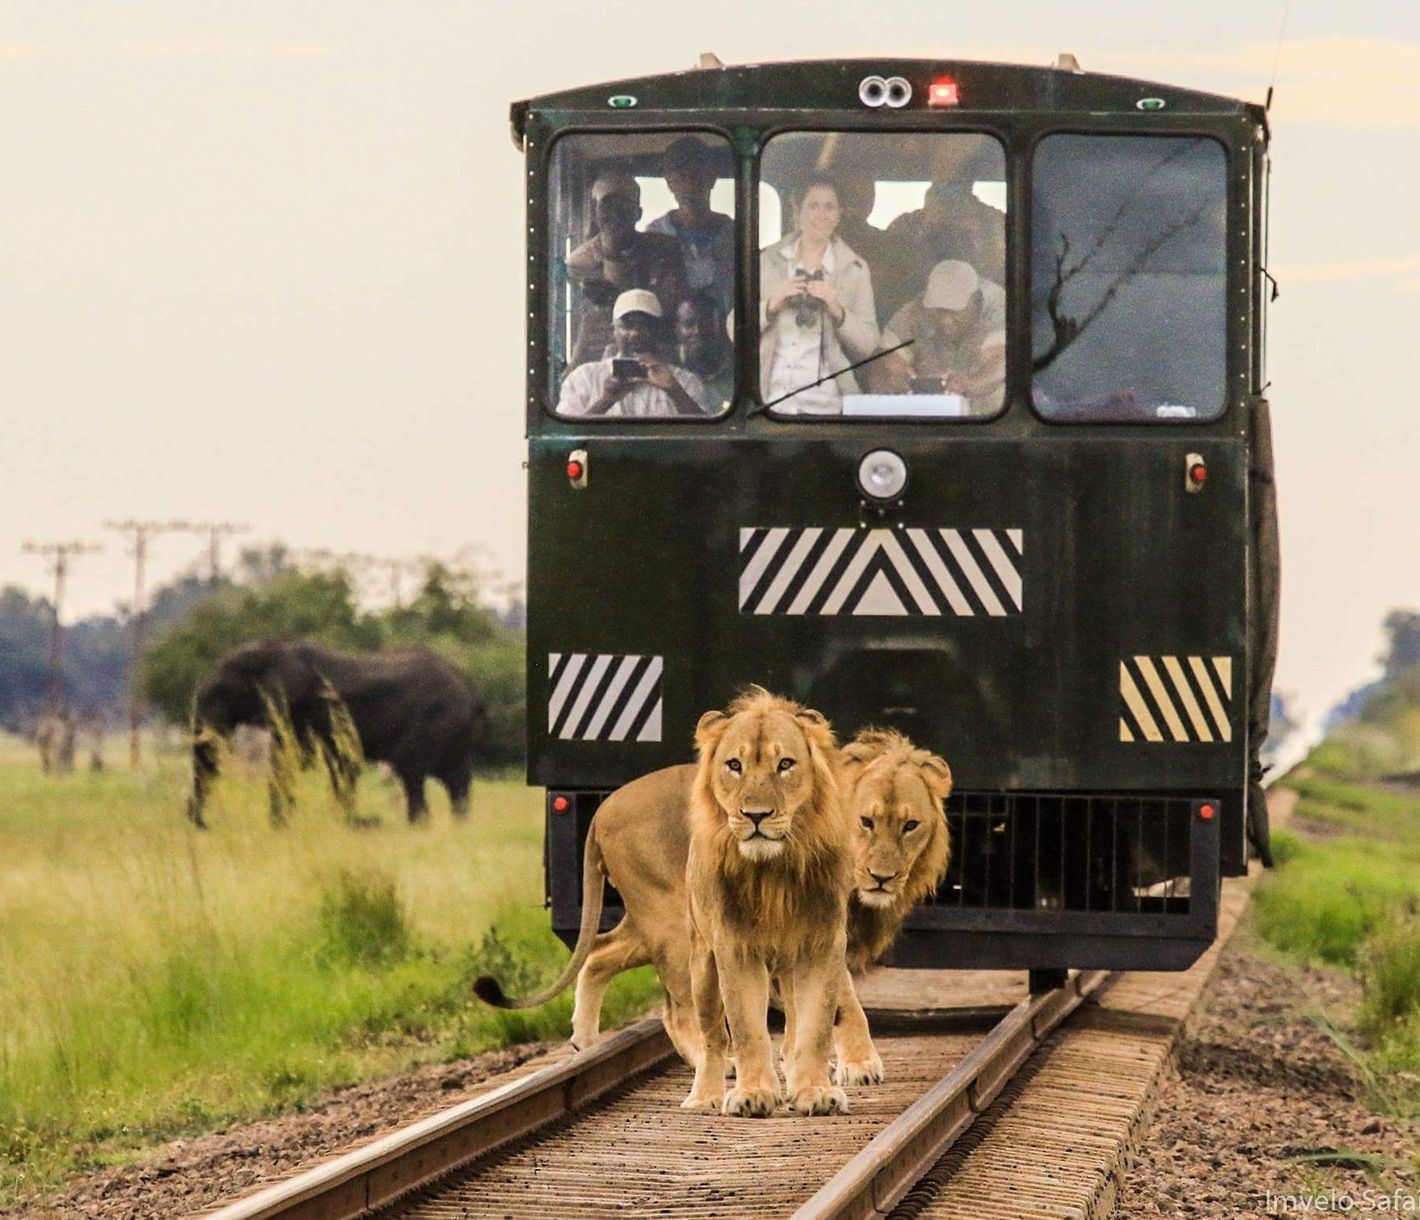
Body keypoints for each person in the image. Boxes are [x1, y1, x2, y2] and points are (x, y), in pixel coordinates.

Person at [759, 176, 879, 416]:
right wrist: (772, 304)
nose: (821, 215)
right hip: (770, 400)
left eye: (829, 207)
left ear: (839, 214)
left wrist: (838, 311)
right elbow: (734, 328)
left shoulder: (854, 268)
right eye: (813, 206)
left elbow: (869, 344)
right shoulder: (767, 261)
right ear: (798, 210)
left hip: (827, 404)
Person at [565, 171, 688, 368]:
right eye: (607, 205)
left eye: (623, 205)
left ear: (637, 213)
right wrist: (611, 251)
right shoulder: (581, 262)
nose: (615, 213)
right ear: (595, 214)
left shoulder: (664, 249)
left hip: (658, 348)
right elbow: (602, 316)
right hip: (598, 354)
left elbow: (672, 308)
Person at [865, 260, 1006, 413]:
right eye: (939, 310)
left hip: (990, 418)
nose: (946, 320)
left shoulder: (997, 306)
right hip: (931, 415)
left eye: (954, 310)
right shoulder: (914, 311)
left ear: (976, 302)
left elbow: (1000, 362)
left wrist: (969, 384)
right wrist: (892, 373)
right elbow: (882, 360)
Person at [558, 290, 719, 417]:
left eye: (644, 326)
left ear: (659, 330)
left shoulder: (685, 381)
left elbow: (708, 439)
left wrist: (675, 391)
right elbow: (565, 438)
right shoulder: (584, 378)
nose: (635, 333)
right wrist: (605, 401)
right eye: (627, 326)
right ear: (612, 330)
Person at [880, 181, 1006, 319]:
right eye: (937, 231)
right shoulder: (905, 227)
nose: (949, 241)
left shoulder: (995, 225)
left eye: (963, 236)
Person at [647, 137, 735, 312]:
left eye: (697, 173)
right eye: (681, 175)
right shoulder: (653, 237)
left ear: (712, 177)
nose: (690, 183)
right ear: (669, 182)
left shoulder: (736, 236)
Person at [674, 290, 734, 406]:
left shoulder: (737, 369)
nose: (698, 331)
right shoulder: (671, 367)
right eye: (688, 324)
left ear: (718, 325)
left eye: (705, 323)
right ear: (677, 330)